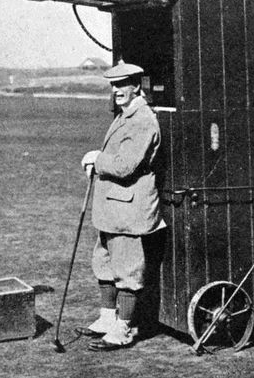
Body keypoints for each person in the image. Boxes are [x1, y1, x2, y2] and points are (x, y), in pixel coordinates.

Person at [79, 62, 164, 352]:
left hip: (129, 208)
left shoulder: (142, 120)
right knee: (103, 261)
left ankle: (124, 329)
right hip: (113, 207)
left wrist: (96, 159)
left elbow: (126, 165)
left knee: (127, 269)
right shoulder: (125, 115)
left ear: (137, 86)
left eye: (122, 84)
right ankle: (107, 318)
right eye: (113, 85)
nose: (116, 90)